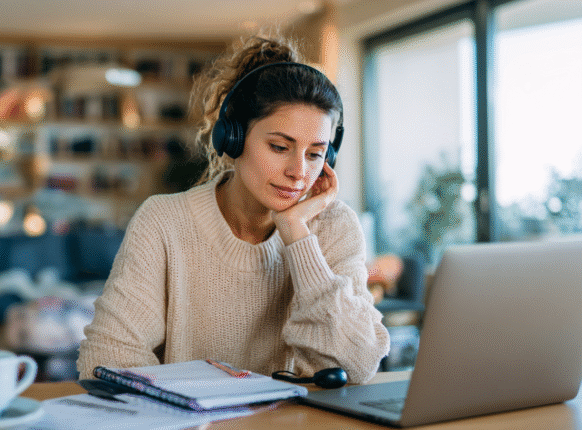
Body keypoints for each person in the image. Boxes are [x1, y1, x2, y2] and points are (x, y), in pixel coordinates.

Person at [77, 34, 390, 383]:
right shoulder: (164, 222)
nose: (299, 172)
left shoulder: (334, 226)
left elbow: (358, 365)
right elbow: (106, 357)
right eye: (279, 146)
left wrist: (297, 235)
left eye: (315, 154)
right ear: (233, 137)